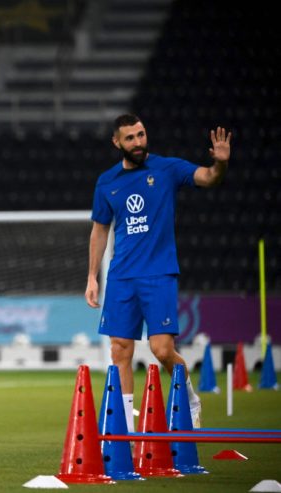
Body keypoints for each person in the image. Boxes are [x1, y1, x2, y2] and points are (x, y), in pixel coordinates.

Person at [85, 114, 231, 431]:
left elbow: (207, 177)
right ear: (116, 142)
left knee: (162, 350)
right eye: (130, 138)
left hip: (159, 273)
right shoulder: (107, 182)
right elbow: (99, 230)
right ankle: (123, 430)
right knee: (119, 351)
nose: (138, 142)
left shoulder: (167, 169)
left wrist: (219, 164)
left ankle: (191, 399)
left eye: (141, 135)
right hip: (121, 276)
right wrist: (93, 276)